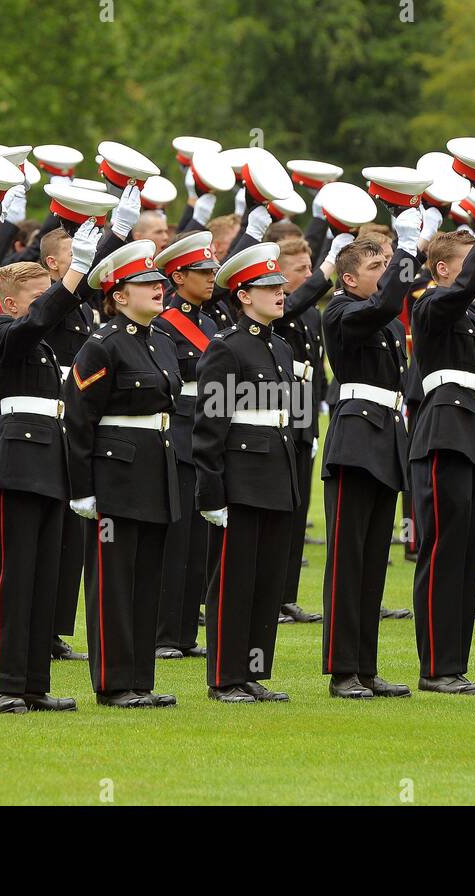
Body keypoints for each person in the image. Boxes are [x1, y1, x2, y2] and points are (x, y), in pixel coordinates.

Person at [0, 226, 98, 713]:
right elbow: (38, 322)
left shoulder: (44, 345)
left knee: (43, 578)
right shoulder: (4, 332)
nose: (46, 305)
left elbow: (53, 317)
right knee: (12, 577)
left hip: (50, 461)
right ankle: (1, 684)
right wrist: (72, 276)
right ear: (9, 303)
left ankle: (31, 682)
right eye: (37, 298)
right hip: (17, 464)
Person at [64, 239, 180, 709]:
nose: (158, 288)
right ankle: (113, 683)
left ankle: (140, 680)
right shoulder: (102, 345)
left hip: (153, 469)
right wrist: (83, 489)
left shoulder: (162, 341)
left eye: (158, 281)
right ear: (117, 294)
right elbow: (78, 418)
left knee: (146, 578)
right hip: (114, 476)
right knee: (113, 580)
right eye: (145, 283)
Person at [319, 208, 425, 700]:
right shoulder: (341, 311)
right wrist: (403, 248)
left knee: (372, 560)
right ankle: (343, 669)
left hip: (383, 436)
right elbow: (385, 306)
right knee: (347, 560)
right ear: (348, 277)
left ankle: (365, 665)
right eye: (377, 267)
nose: (386, 276)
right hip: (356, 438)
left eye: (388, 267)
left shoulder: (374, 316)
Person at [407, 202, 475, 697]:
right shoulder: (431, 304)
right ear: (444, 267)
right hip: (446, 435)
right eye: (467, 261)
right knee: (444, 552)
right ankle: (435, 667)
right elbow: (473, 284)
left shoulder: (467, 314)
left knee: (469, 558)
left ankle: (454, 664)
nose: (474, 272)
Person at [194, 243, 301, 703]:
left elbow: (289, 418)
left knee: (266, 582)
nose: (281, 294)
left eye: (280, 286)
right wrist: (213, 493)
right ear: (243, 295)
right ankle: (224, 677)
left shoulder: (280, 346)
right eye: (269, 287)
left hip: (276, 474)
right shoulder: (226, 349)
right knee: (235, 580)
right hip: (241, 477)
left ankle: (253, 671)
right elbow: (209, 429)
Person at [150, 231, 220, 660]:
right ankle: (162, 633)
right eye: (203, 271)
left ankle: (184, 632)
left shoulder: (211, 323)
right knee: (174, 538)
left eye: (212, 270)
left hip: (205, 432)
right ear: (178, 276)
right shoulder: (162, 322)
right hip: (177, 432)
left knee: (198, 538)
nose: (211, 278)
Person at [272, 234, 342, 625]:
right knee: (278, 507)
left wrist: (311, 427)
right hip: (276, 406)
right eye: (301, 269)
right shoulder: (279, 308)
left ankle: (287, 595)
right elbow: (291, 306)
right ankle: (272, 596)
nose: (310, 274)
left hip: (301, 410)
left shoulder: (312, 314)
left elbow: (314, 374)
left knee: (297, 508)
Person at [38, 225, 90, 662]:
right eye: (75, 252)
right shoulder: (50, 302)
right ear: (52, 263)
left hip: (73, 411)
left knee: (70, 533)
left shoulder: (80, 308)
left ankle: (55, 628)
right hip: (48, 409)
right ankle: (40, 626)